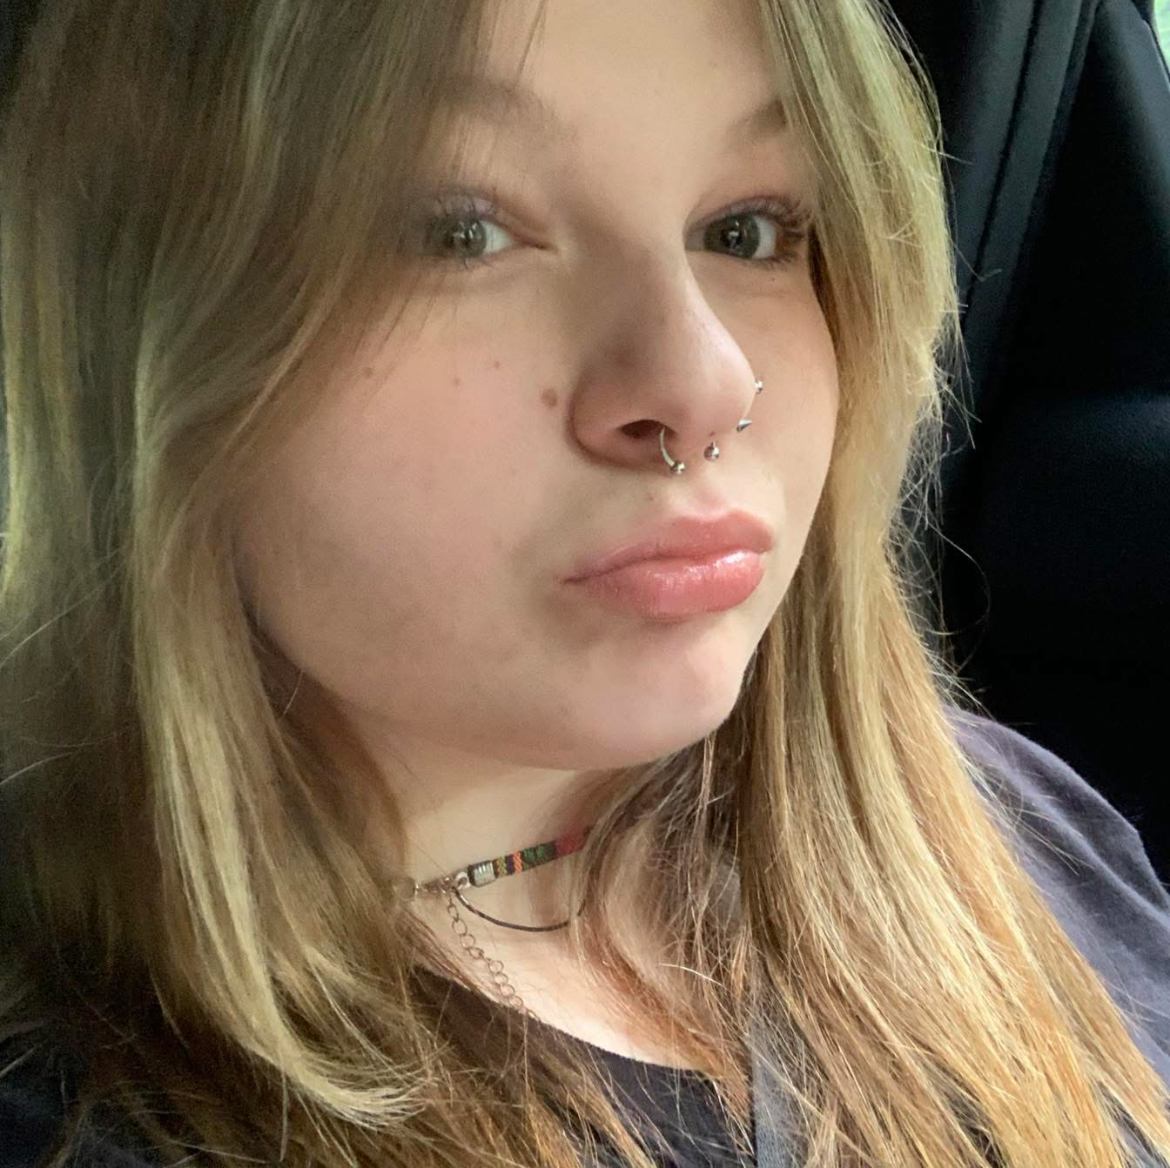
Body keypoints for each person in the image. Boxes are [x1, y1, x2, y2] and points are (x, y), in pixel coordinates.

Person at [0, 0, 1168, 1164]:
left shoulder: (1008, 823)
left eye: (749, 230)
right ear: (135, 327)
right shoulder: (78, 1112)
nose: (705, 384)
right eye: (457, 232)